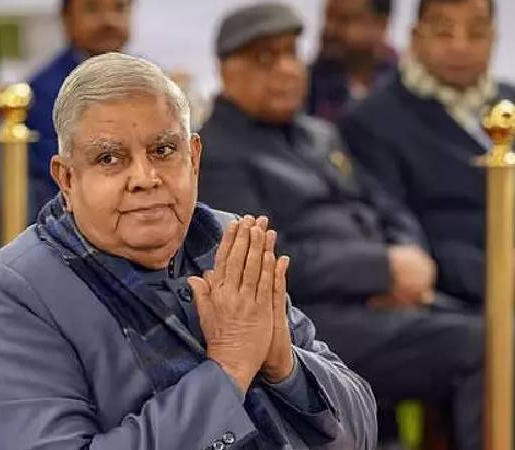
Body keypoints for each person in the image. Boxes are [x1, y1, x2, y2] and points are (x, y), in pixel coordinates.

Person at [0, 52, 377, 450]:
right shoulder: (10, 296)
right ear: (67, 179)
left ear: (193, 158)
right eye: (109, 158)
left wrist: (284, 364)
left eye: (162, 150)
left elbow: (360, 432)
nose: (145, 177)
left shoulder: (229, 243)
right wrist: (228, 369)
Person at [198, 3, 483, 450]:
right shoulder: (218, 152)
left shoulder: (319, 134)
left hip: (388, 304)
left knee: (493, 323)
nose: (286, 69)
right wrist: (381, 270)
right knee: (482, 343)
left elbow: (387, 206)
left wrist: (410, 259)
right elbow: (262, 261)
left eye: (291, 53)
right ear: (225, 70)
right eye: (265, 58)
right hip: (310, 319)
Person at [339, 0, 515, 305]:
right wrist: (498, 274)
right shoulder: (372, 120)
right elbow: (399, 231)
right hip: (460, 300)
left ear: (493, 38)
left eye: (476, 32)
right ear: (415, 37)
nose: (460, 46)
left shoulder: (508, 103)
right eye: (444, 32)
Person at [26, 0, 132, 213]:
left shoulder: (152, 84)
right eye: (92, 9)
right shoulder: (44, 93)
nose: (108, 20)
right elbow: (53, 182)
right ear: (67, 19)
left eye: (119, 8)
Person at [307, 0, 396, 123]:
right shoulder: (306, 86)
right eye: (328, 17)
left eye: (344, 20)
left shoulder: (404, 89)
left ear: (381, 25)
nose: (330, 29)